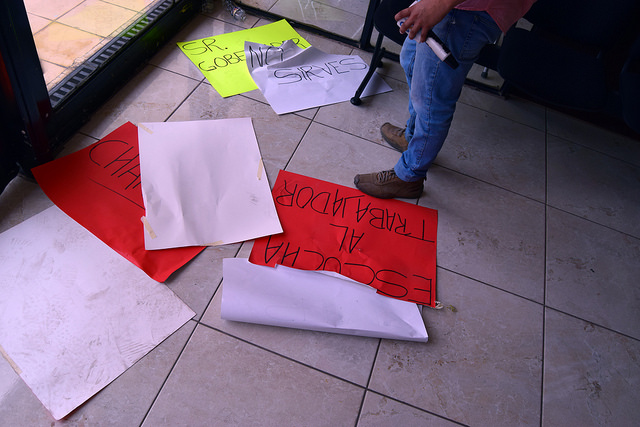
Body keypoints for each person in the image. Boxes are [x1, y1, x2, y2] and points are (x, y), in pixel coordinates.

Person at [354, 0, 537, 199]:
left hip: (464, 11)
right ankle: (413, 138)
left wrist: (441, 3)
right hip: (451, 7)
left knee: (432, 98)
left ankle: (410, 176)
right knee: (412, 63)